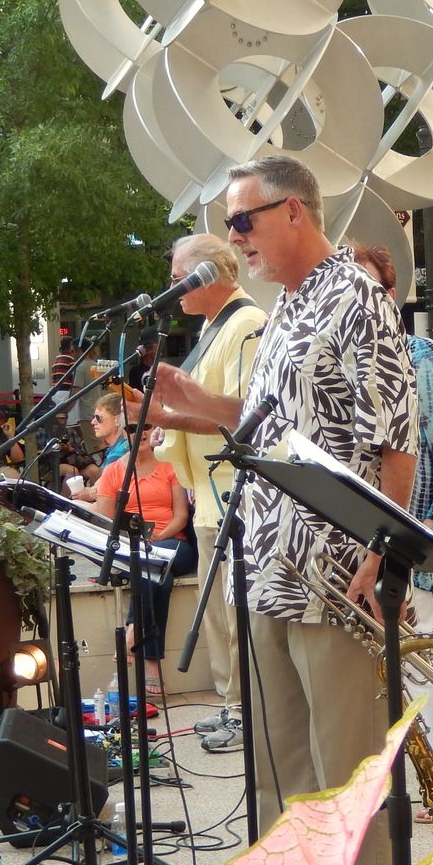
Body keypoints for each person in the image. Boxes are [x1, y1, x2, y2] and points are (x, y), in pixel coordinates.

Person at [148, 154, 417, 865]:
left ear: (293, 210)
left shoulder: (356, 298)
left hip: (334, 573)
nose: (235, 239)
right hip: (265, 563)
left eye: (243, 220)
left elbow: (398, 438)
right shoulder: (289, 304)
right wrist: (197, 404)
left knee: (346, 769)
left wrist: (385, 554)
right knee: (277, 768)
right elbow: (270, 422)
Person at [352, 241, 433, 776]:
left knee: (425, 669)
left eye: (370, 287)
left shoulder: (420, 355)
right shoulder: (343, 357)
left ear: (391, 292)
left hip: (408, 549)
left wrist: (422, 537)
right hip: (355, 550)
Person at [149, 234, 266, 752]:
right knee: (216, 614)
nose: (173, 289)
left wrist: (167, 418)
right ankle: (232, 704)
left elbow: (242, 415)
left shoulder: (247, 324)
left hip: (234, 496)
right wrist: (168, 424)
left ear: (209, 276)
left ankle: (246, 712)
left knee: (233, 613)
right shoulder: (214, 326)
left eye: (180, 279)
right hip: (209, 493)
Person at [93, 423, 198, 697]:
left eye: (146, 426)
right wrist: (136, 543)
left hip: (173, 542)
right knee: (158, 577)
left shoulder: (169, 465)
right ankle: (151, 663)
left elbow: (181, 517)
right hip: (132, 548)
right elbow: (105, 521)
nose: (140, 432)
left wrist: (158, 536)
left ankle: (132, 632)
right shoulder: (113, 472)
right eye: (132, 427)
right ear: (123, 433)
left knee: (152, 566)